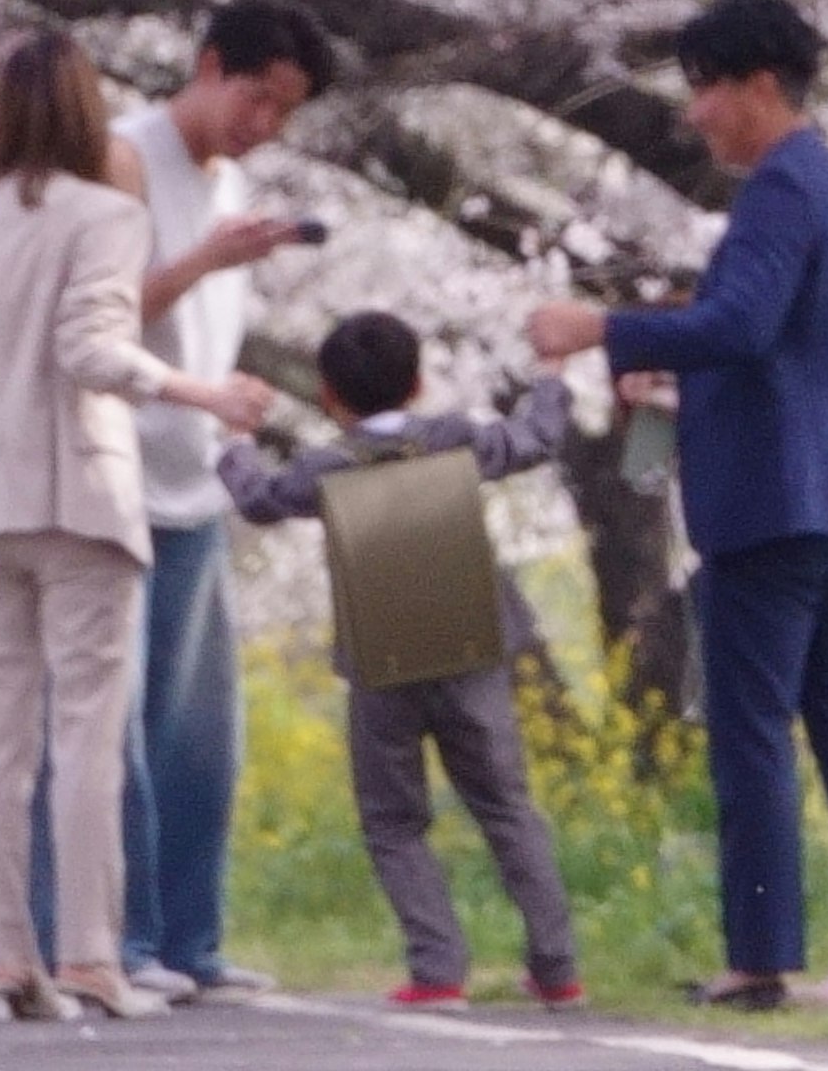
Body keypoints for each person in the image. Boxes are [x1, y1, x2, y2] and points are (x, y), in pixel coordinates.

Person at [530, 0, 828, 1016]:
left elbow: (743, 324)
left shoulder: (781, 191)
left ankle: (760, 957)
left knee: (751, 732)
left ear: (760, 85)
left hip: (775, 503)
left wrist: (601, 329)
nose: (695, 114)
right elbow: (791, 344)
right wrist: (678, 376)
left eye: (706, 90)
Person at [0, 33, 273, 1023]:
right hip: (81, 501)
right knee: (90, 733)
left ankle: (10, 959)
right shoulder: (106, 213)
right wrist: (202, 391)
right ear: (87, 112)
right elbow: (92, 349)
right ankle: (94, 959)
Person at [74, 0, 335, 1005]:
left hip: (195, 478)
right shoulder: (124, 158)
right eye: (255, 98)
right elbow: (93, 318)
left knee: (198, 737)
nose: (261, 124)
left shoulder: (239, 181)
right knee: (119, 726)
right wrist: (203, 260)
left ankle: (193, 942)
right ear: (209, 64)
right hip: (118, 473)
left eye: (283, 112)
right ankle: (119, 943)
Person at [217, 310, 584, 1012]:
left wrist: (236, 440)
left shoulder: (326, 467)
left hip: (381, 656)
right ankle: (557, 967)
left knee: (393, 820)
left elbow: (261, 499)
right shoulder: (455, 442)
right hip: (471, 643)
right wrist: (550, 375)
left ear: (328, 395)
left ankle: (438, 970)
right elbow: (537, 437)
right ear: (417, 383)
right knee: (505, 805)